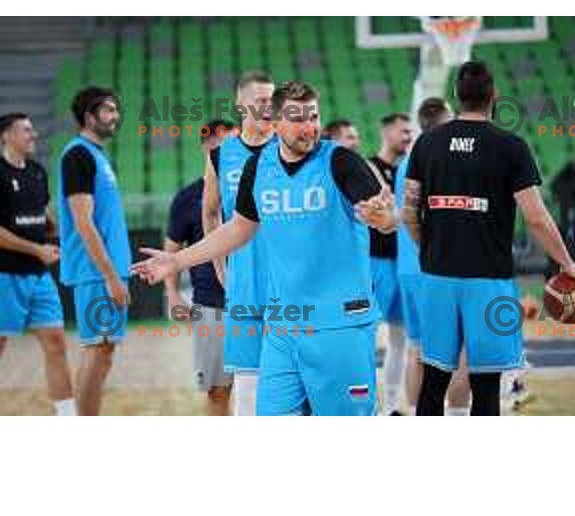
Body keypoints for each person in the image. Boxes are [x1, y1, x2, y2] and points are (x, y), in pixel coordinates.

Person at [132, 80, 392, 416]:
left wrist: (384, 218)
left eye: (313, 117)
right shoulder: (258, 168)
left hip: (339, 323)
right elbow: (239, 228)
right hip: (282, 326)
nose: (309, 127)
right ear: (277, 120)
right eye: (297, 118)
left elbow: (387, 217)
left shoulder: (341, 162)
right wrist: (177, 260)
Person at [401, 62, 575, 415]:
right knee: (486, 386)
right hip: (489, 283)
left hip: (437, 279)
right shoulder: (510, 146)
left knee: (433, 382)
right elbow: (535, 217)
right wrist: (568, 263)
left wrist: (427, 249)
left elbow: (409, 212)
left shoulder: (426, 143)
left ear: (457, 97)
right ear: (494, 97)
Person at [201, 71, 275, 416]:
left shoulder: (288, 147)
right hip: (244, 281)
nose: (269, 107)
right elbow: (210, 213)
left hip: (290, 282)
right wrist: (220, 268)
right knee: (247, 381)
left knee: (296, 378)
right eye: (261, 100)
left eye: (272, 100)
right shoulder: (221, 155)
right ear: (240, 104)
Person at [58, 87, 131, 416]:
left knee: (104, 352)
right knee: (96, 349)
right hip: (95, 273)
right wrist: (110, 276)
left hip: (105, 271)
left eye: (116, 110)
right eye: (109, 110)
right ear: (90, 116)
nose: (115, 116)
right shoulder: (78, 155)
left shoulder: (96, 155)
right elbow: (83, 223)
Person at [394, 98, 470, 416]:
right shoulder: (445, 160)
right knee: (461, 348)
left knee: (417, 346)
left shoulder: (405, 162)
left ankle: (416, 414)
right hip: (438, 266)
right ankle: (454, 416)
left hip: (408, 268)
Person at [0, 113, 75, 416]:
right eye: (26, 130)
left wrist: (66, 237)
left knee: (56, 341)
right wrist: (36, 249)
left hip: (38, 274)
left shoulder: (37, 171)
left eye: (33, 129)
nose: (34, 135)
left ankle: (67, 417)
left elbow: (41, 215)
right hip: (5, 273)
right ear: (6, 135)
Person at [164, 120, 232, 415]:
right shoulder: (188, 197)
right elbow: (171, 250)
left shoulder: (254, 188)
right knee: (218, 391)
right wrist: (174, 295)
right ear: (208, 147)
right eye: (225, 142)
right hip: (211, 303)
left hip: (256, 302)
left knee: (262, 386)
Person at [367, 112, 413, 415]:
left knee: (401, 339)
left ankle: (393, 406)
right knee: (366, 337)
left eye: (411, 132)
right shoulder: (368, 167)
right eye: (403, 131)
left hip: (405, 263)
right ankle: (365, 403)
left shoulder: (414, 169)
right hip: (376, 262)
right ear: (387, 133)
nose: (409, 137)